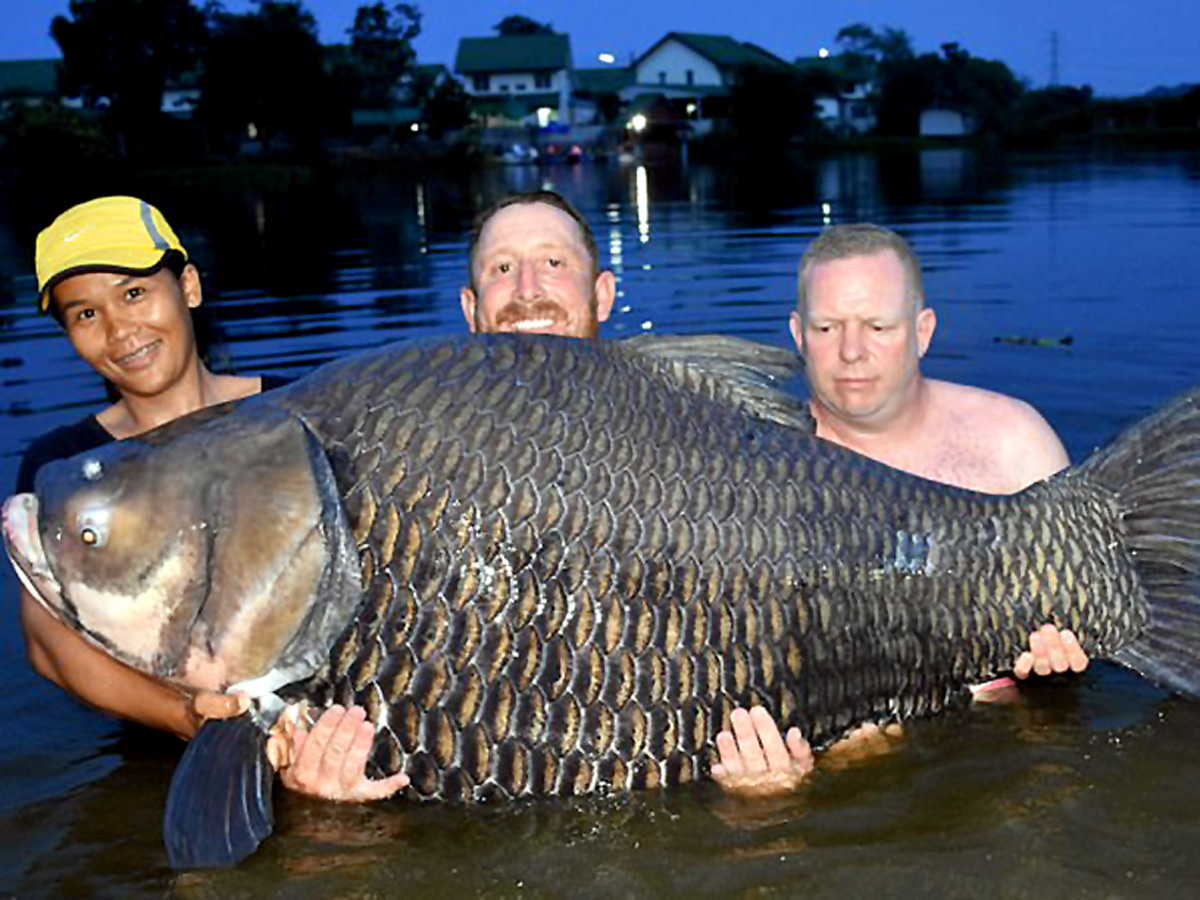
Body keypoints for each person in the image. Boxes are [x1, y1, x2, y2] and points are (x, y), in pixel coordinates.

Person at [14, 195, 405, 802]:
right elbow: (48, 645)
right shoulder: (67, 470)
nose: (120, 330)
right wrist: (187, 717)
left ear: (189, 286)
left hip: (336, 727)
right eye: (85, 313)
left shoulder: (297, 412)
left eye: (134, 293)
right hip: (165, 752)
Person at [713, 223, 1091, 792]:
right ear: (798, 334)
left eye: (878, 327)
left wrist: (1061, 664)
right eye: (827, 327)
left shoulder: (1014, 442)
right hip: (846, 763)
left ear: (923, 331)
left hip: (1004, 743)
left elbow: (1086, 629)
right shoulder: (753, 472)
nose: (851, 351)